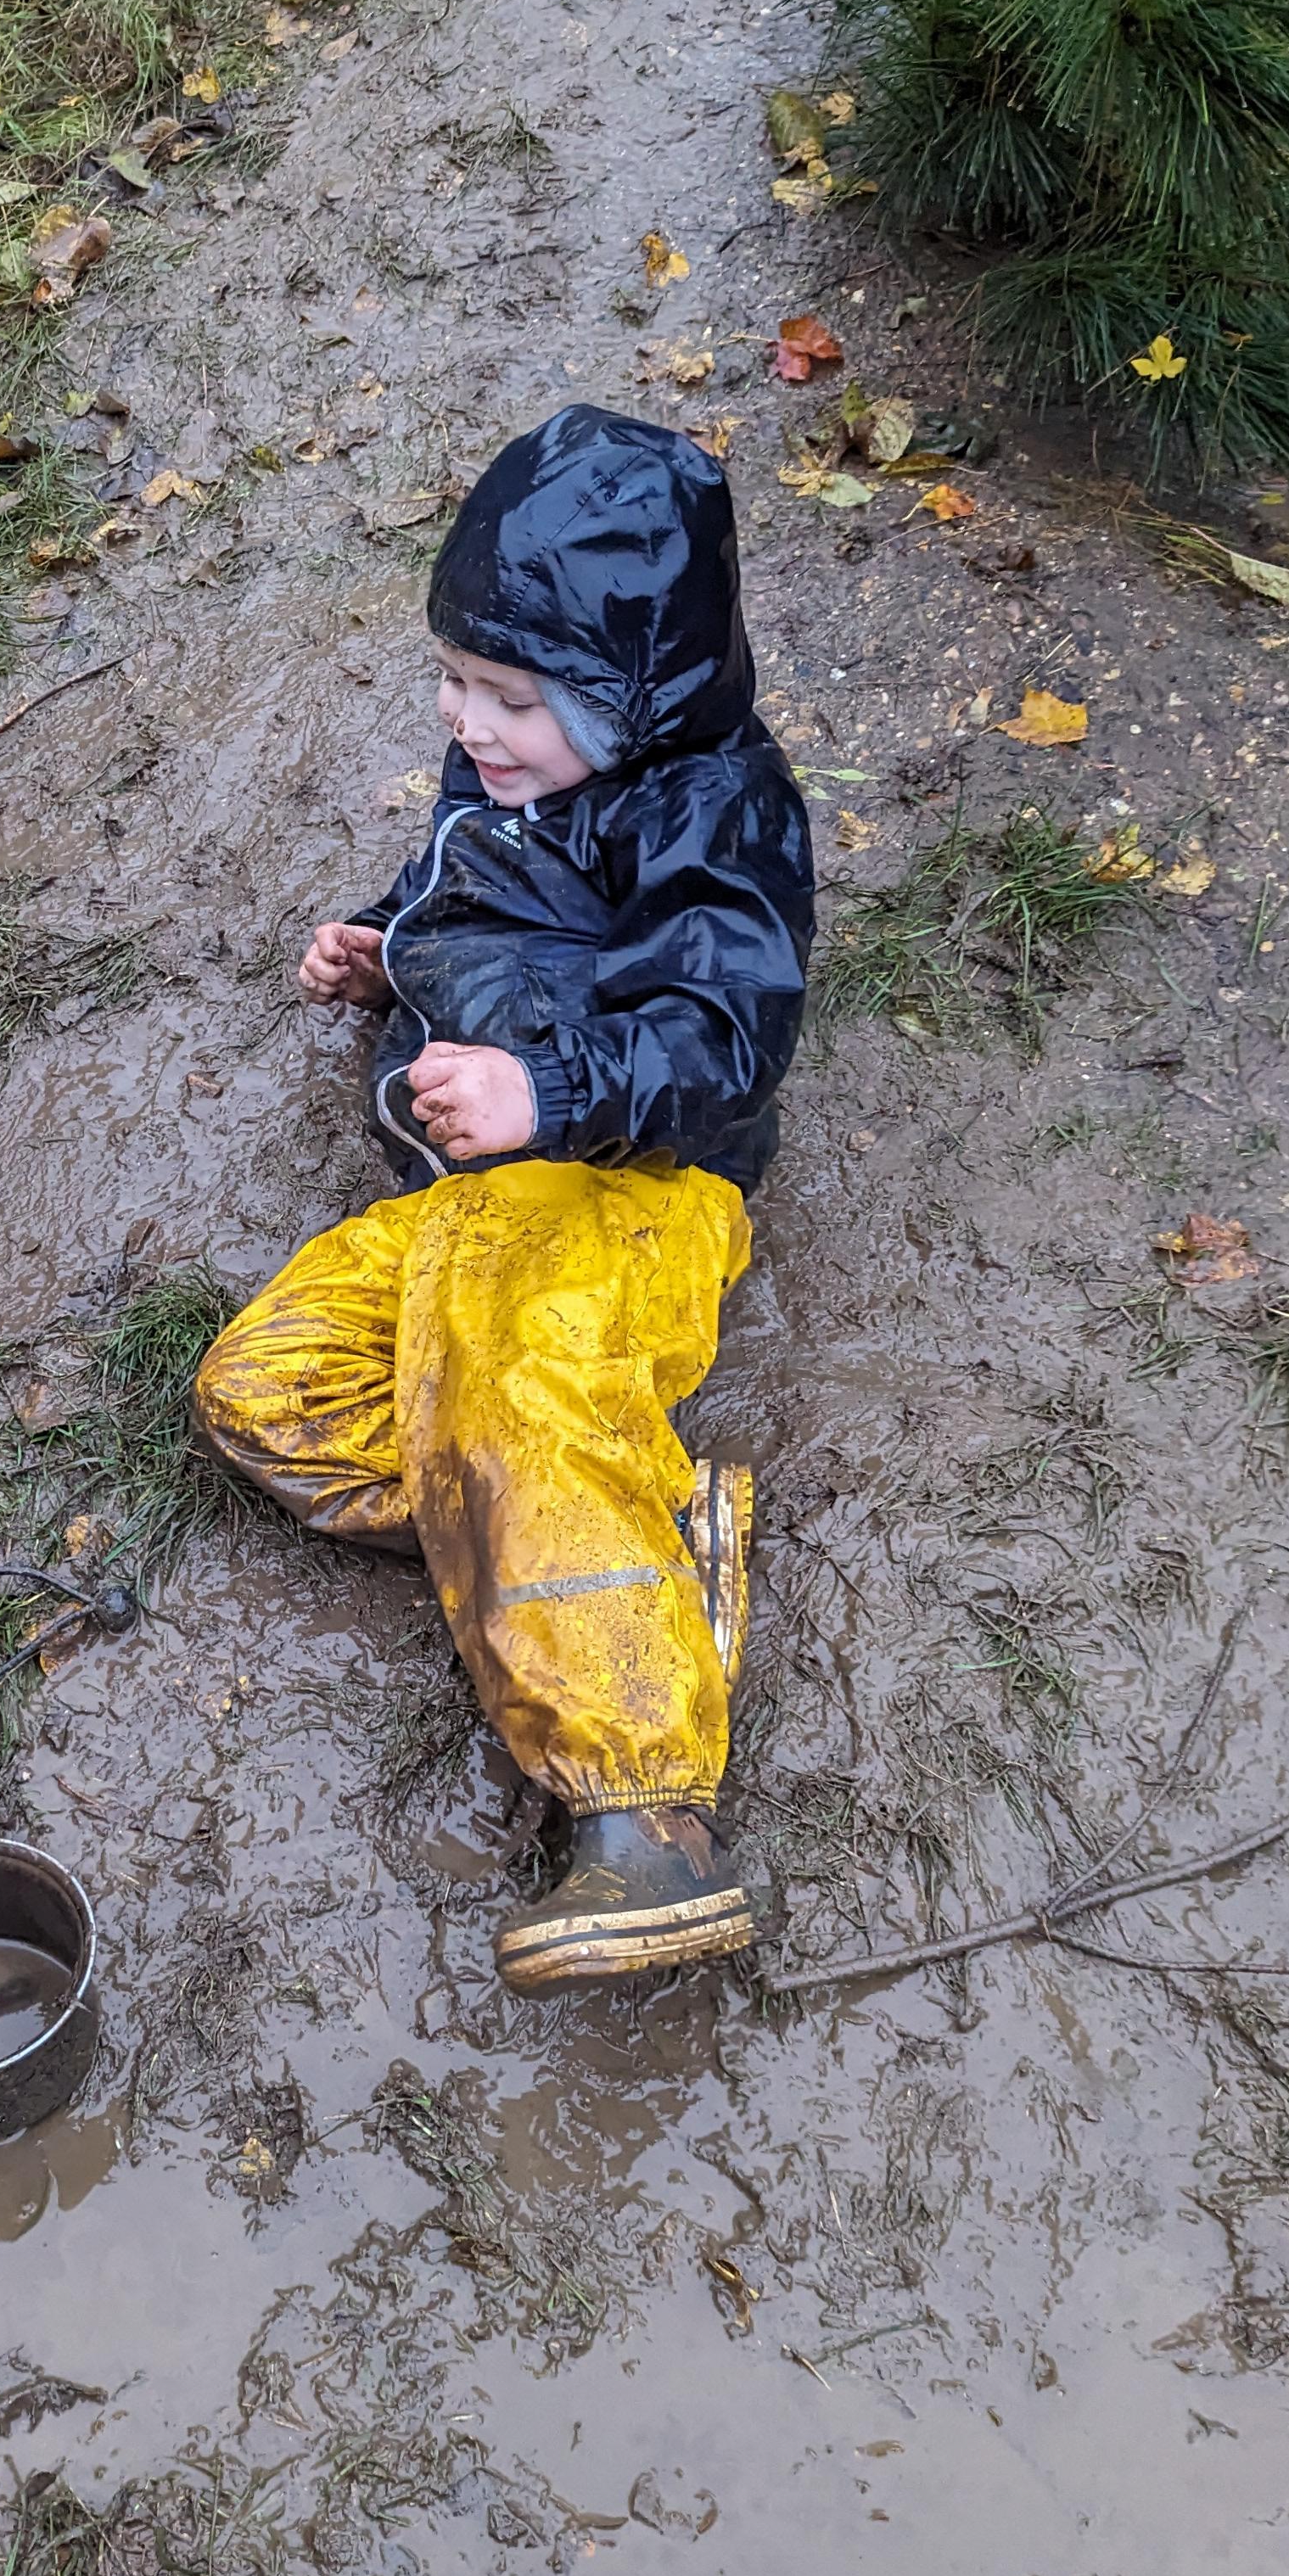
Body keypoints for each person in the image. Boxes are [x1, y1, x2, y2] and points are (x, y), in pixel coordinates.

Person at [195, 406, 815, 1991]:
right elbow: (466, 889)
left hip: (629, 1183)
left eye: (512, 697)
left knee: (512, 1392)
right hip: (466, 1205)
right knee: (263, 1393)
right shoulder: (512, 767)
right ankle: (614, 1533)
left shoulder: (713, 810)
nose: (467, 719)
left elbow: (726, 1031)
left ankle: (646, 1813)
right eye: (455, 678)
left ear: (635, 696)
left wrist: (551, 1094)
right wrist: (383, 950)